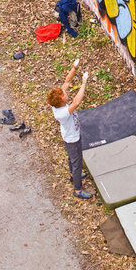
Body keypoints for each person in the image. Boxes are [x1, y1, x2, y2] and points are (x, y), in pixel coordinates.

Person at [46, 59, 92, 200]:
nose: (66, 94)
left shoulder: (58, 103)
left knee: (72, 157)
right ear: (61, 101)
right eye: (64, 95)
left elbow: (66, 81)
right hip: (72, 139)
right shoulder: (62, 113)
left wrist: (74, 67)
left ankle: (72, 175)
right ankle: (77, 190)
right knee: (77, 163)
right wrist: (83, 83)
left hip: (70, 135)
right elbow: (76, 102)